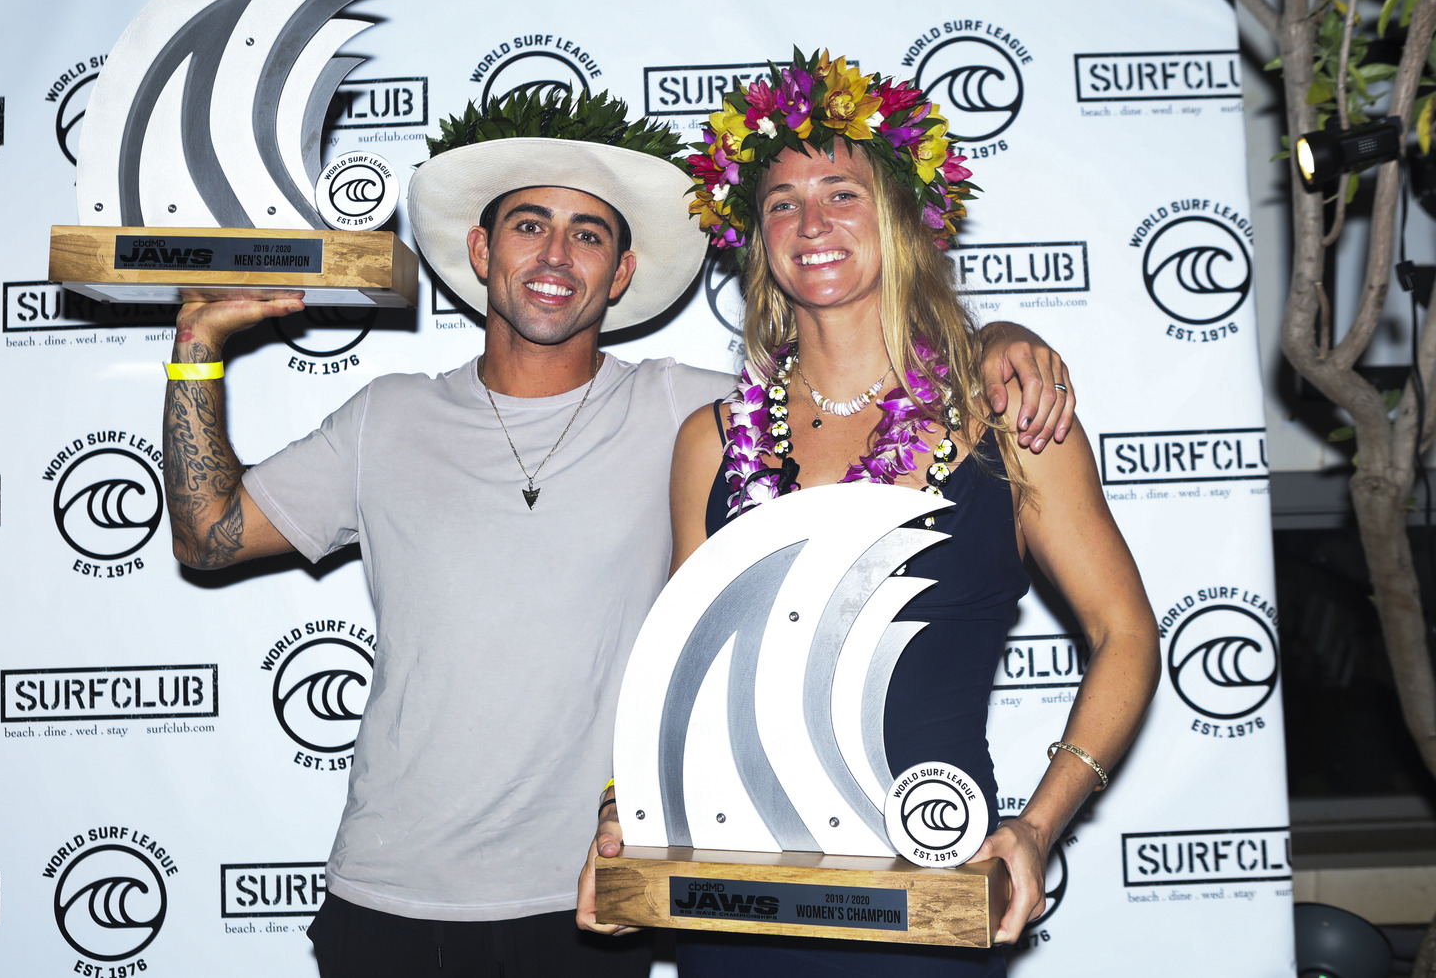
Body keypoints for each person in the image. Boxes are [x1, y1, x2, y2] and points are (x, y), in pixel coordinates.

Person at [160, 87, 1076, 978]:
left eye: (589, 234)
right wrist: (195, 350)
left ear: (622, 272)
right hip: (390, 890)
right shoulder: (385, 418)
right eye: (529, 225)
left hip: (594, 896)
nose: (556, 254)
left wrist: (997, 340)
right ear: (481, 249)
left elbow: (852, 389)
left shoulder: (695, 416)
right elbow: (208, 536)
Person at [577, 53, 1160, 977]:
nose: (811, 223)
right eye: (781, 202)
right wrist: (625, 813)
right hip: (737, 899)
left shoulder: (1005, 416)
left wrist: (1039, 825)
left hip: (930, 887)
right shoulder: (710, 441)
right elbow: (683, 674)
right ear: (757, 238)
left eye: (842, 194)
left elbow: (1125, 633)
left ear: (901, 219)